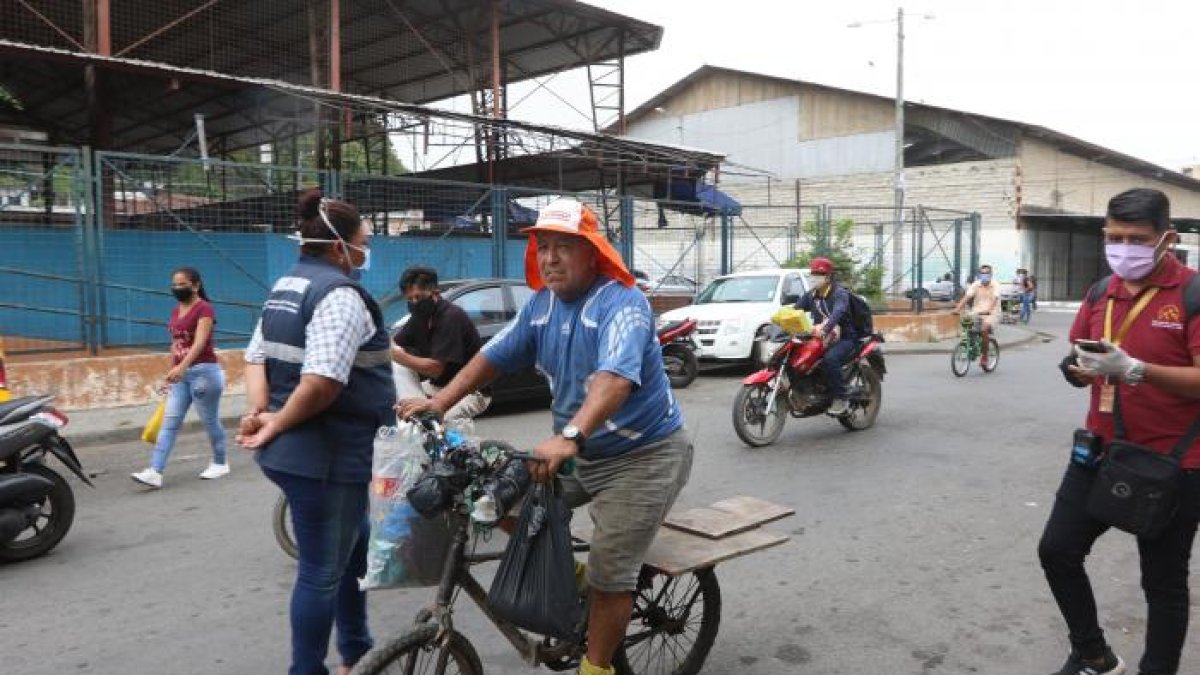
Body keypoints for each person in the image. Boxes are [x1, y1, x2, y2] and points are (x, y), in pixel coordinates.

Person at [398, 198, 692, 675]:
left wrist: (570, 435)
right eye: (543, 247)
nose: (550, 258)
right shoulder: (541, 306)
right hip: (578, 452)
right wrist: (440, 402)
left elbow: (614, 379)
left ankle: (596, 667)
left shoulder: (624, 303)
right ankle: (571, 577)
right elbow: (492, 356)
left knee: (610, 573)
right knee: (491, 500)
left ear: (593, 253)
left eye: (564, 247)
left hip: (644, 457)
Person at [1040, 188, 1200, 675]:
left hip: (1174, 462)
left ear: (1167, 239)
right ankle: (1093, 654)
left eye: (1137, 239)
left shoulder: (1192, 294)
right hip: (1101, 451)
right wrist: (1077, 370)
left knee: (1163, 582)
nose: (1123, 248)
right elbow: (1078, 354)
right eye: (1114, 237)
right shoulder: (1100, 292)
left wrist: (1134, 369)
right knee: (1057, 551)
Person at [238, 191, 396, 675]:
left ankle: (357, 650)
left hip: (302, 452)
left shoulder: (287, 285)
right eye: (364, 241)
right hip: (327, 456)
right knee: (321, 572)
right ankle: (308, 669)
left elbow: (256, 357)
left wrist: (260, 410)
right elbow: (322, 383)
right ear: (340, 247)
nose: (367, 250)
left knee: (355, 542)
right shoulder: (339, 296)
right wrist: (273, 420)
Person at [131, 267, 227, 488]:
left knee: (210, 421)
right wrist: (171, 371)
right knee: (170, 422)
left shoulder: (205, 309)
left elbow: (200, 343)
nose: (177, 288)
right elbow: (176, 344)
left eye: (182, 284)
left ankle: (220, 462)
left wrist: (182, 367)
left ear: (196, 285)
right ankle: (155, 471)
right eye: (174, 284)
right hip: (181, 376)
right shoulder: (176, 310)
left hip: (204, 373)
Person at [391, 266, 490, 423]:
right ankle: (419, 420)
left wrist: (398, 356)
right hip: (437, 386)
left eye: (418, 297)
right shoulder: (419, 318)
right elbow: (395, 344)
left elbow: (436, 369)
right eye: (410, 299)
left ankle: (433, 426)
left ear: (435, 293)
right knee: (399, 407)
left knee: (430, 422)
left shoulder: (451, 317)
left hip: (469, 392)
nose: (414, 303)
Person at [792, 256, 861, 416]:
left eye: (819, 274)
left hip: (846, 338)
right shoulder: (812, 295)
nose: (814, 278)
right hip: (821, 337)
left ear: (828, 277)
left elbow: (838, 312)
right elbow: (795, 310)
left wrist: (826, 329)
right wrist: (779, 320)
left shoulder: (839, 294)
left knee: (830, 360)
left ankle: (841, 398)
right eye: (813, 274)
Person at [953, 263, 1001, 363]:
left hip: (992, 313)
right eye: (982, 273)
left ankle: (985, 356)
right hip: (977, 312)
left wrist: (989, 310)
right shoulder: (976, 284)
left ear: (991, 274)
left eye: (987, 273)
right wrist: (957, 309)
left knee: (984, 328)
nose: (984, 275)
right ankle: (971, 346)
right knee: (967, 325)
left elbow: (995, 299)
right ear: (979, 274)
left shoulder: (995, 285)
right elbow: (967, 297)